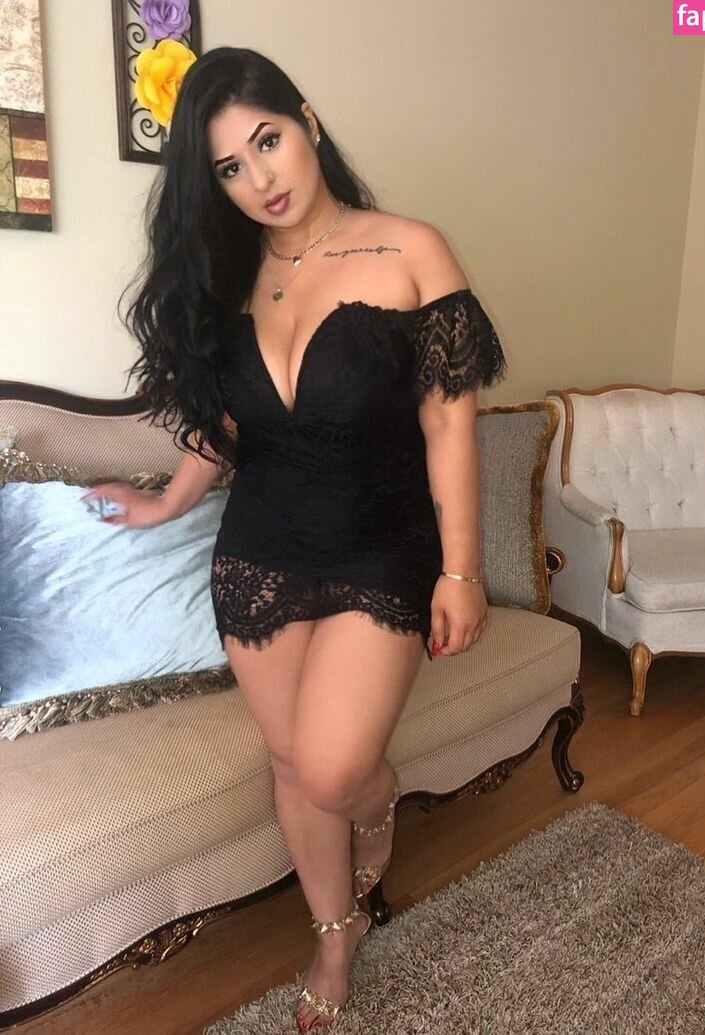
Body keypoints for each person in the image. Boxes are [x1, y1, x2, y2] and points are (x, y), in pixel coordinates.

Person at [82, 46, 507, 1031]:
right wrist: (167, 503)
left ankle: (377, 802)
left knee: (333, 769)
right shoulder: (228, 275)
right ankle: (333, 934)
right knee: (290, 766)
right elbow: (229, 422)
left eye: (268, 141)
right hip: (260, 548)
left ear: (308, 121)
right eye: (230, 167)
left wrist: (462, 569)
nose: (260, 179)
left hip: (379, 544)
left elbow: (449, 424)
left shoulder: (411, 249)